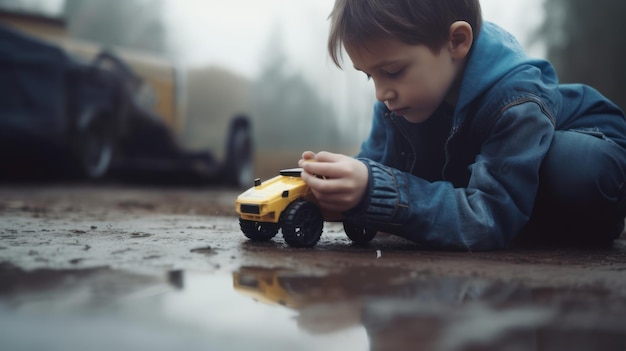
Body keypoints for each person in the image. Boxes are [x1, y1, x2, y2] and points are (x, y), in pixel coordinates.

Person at [298, 0, 626, 250]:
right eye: (370, 75)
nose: (382, 92)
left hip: (590, 153)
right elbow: (374, 174)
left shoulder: (516, 100)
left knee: (578, 166)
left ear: (457, 41)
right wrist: (342, 194)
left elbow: (487, 217)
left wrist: (378, 191)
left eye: (393, 71)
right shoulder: (397, 103)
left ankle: (533, 221)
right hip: (495, 185)